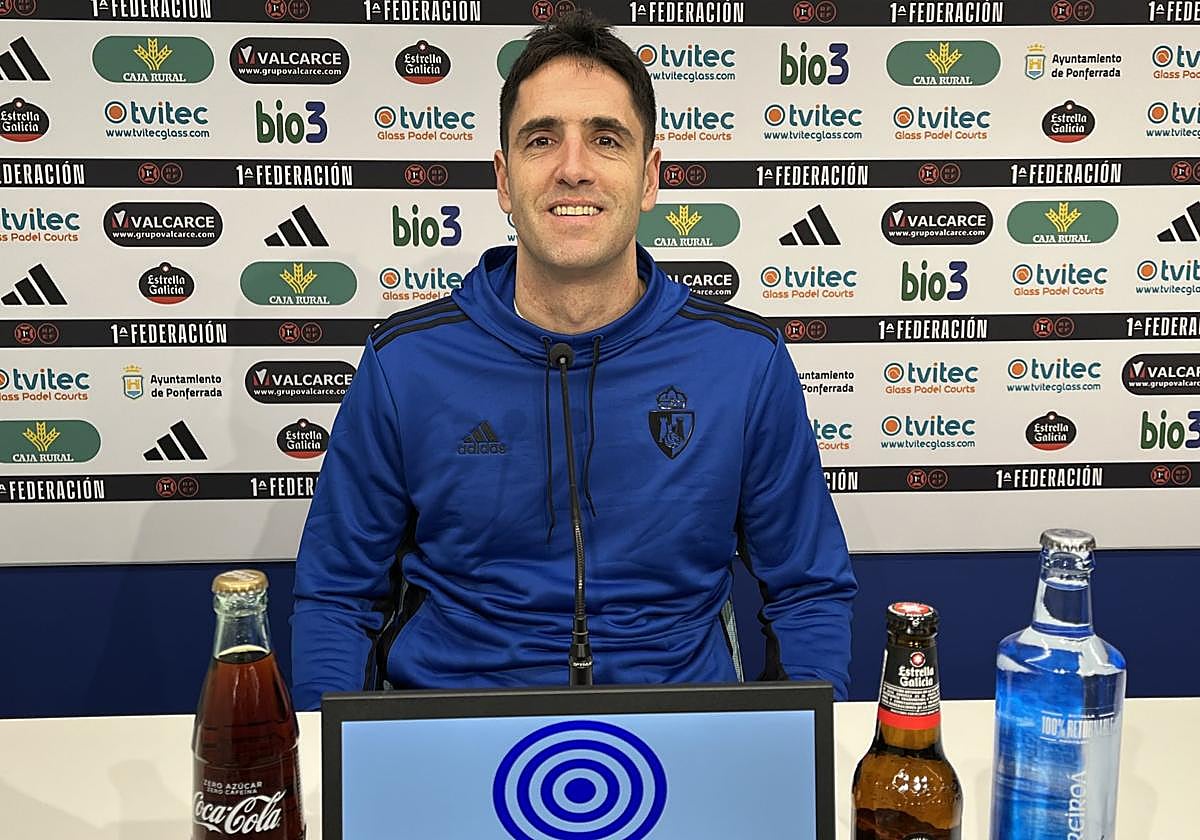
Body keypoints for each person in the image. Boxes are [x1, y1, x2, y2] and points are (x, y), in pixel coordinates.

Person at [290, 11, 857, 710]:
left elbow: (808, 592)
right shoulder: (404, 364)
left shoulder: (745, 364)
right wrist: (325, 764)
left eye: (606, 139)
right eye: (542, 139)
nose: (573, 169)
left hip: (685, 732)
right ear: (504, 178)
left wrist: (800, 754)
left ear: (649, 179)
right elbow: (336, 595)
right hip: (449, 730)